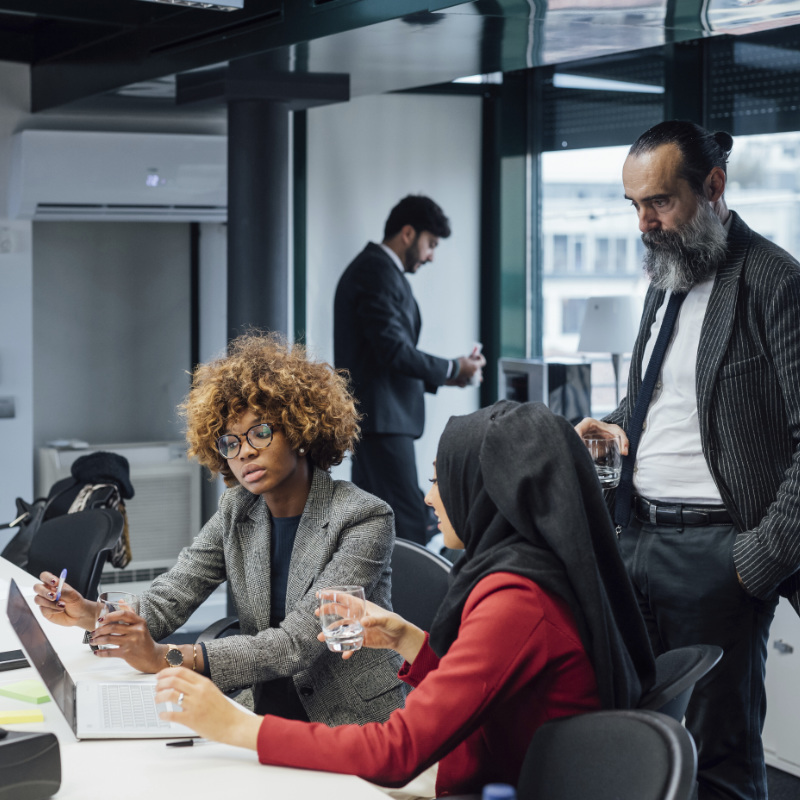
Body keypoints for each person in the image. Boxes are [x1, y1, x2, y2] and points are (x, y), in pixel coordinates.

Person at [154, 401, 655, 797]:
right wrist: (407, 638)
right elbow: (491, 689)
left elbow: (398, 751)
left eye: (441, 479)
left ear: (483, 490)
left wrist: (236, 726)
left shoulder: (514, 600)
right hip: (487, 768)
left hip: (486, 782)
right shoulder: (527, 570)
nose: (430, 497)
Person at [576, 120, 800, 800]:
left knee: (717, 765)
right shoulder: (667, 275)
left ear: (713, 186)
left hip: (716, 557)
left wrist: (754, 561)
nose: (645, 222)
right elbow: (662, 402)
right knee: (635, 749)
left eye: (660, 202)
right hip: (633, 542)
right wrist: (608, 428)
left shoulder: (775, 283)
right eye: (635, 206)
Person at [33, 332, 407, 725]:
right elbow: (172, 595)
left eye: (261, 433)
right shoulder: (238, 507)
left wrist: (166, 657)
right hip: (265, 708)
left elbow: (294, 646)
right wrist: (91, 613)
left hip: (351, 721)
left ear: (299, 431)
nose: (244, 451)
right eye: (230, 442)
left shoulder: (364, 517)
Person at [334, 194, 486, 545]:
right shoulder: (375, 271)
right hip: (382, 424)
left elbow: (384, 355)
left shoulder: (377, 270)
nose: (432, 255)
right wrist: (453, 365)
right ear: (407, 233)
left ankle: (383, 597)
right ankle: (411, 600)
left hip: (380, 422)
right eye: (430, 243)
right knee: (408, 524)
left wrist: (452, 374)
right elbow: (393, 351)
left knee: (382, 523)